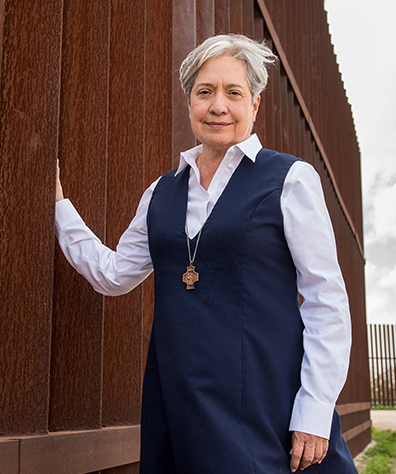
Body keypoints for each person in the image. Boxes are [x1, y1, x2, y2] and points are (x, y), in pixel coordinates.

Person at [55, 34, 358, 474]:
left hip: (266, 398)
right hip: (180, 403)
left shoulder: (290, 179)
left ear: (254, 105)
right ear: (189, 102)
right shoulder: (160, 192)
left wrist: (314, 409)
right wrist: (60, 208)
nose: (218, 106)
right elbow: (115, 274)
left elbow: (325, 299)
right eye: (204, 92)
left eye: (233, 93)